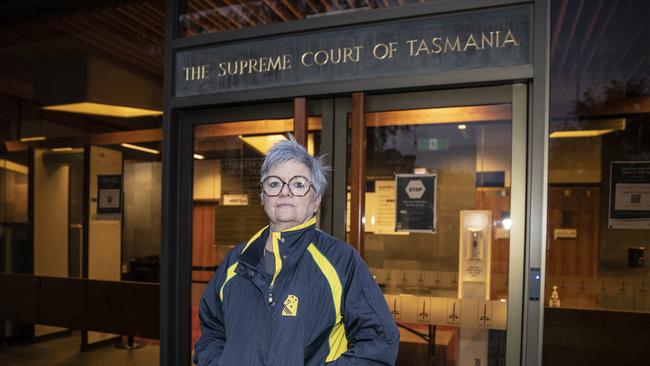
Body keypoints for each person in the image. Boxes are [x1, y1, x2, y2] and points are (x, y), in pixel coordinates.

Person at [194, 137, 399, 366]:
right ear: (263, 197)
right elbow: (212, 329)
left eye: (298, 184)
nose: (284, 192)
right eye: (274, 183)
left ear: (316, 201)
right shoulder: (237, 260)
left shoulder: (341, 260)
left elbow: (379, 341)